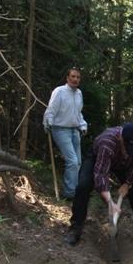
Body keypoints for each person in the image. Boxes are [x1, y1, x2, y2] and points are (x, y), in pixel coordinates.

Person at [64, 123, 133, 248]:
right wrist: (110, 202)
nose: (131, 153)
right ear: (121, 139)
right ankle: (75, 228)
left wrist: (127, 183)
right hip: (98, 157)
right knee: (83, 185)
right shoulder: (107, 143)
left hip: (125, 165)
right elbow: (101, 174)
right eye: (128, 149)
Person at [43, 67, 88, 200]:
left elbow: (78, 112)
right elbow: (51, 109)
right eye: (73, 76)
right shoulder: (59, 91)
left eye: (78, 77)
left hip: (75, 130)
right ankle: (70, 193)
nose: (75, 79)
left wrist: (82, 125)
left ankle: (74, 190)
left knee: (78, 162)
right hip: (60, 129)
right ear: (67, 78)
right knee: (72, 161)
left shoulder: (79, 93)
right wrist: (47, 122)